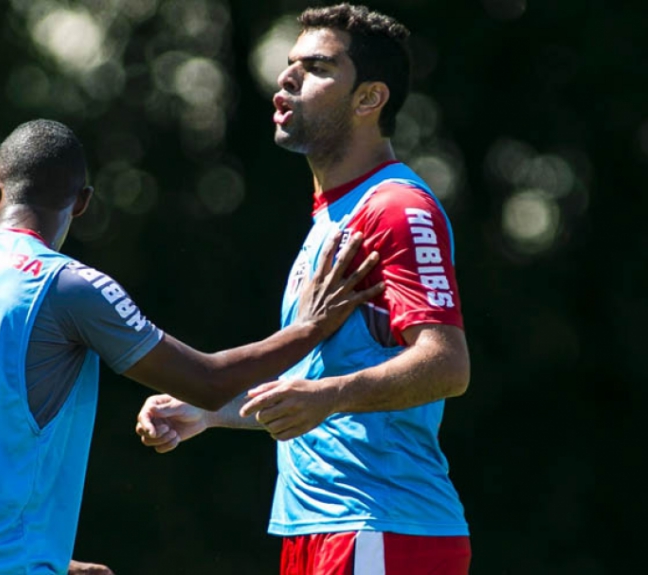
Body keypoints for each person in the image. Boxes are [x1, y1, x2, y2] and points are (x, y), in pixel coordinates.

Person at [0, 118, 384, 575]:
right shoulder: (65, 287)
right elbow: (208, 380)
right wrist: (310, 327)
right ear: (82, 203)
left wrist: (46, 555)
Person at [136, 3, 472, 574]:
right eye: (290, 63)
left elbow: (447, 364)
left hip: (380, 526)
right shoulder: (329, 219)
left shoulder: (396, 206)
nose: (287, 77)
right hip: (320, 529)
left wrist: (332, 396)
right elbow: (311, 390)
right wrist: (211, 411)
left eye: (317, 68)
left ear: (370, 99)